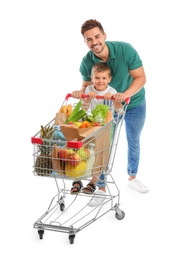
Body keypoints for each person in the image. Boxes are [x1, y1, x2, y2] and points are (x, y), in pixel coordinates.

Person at [72, 19, 149, 198]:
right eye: (89, 39)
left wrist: (124, 95)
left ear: (104, 35)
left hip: (135, 102)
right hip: (105, 109)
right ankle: (101, 187)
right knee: (103, 145)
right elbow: (86, 87)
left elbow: (140, 77)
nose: (94, 42)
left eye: (97, 36)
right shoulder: (86, 62)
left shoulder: (125, 50)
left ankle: (132, 178)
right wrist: (81, 93)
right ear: (85, 42)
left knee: (133, 140)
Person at [71, 62, 123, 207]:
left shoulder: (112, 91)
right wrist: (87, 97)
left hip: (105, 128)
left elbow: (119, 111)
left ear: (109, 79)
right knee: (83, 151)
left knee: (100, 153)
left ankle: (93, 182)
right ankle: (77, 179)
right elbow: (85, 108)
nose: (100, 81)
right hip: (90, 125)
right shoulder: (88, 88)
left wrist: (114, 100)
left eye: (104, 78)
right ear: (92, 78)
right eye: (97, 78)